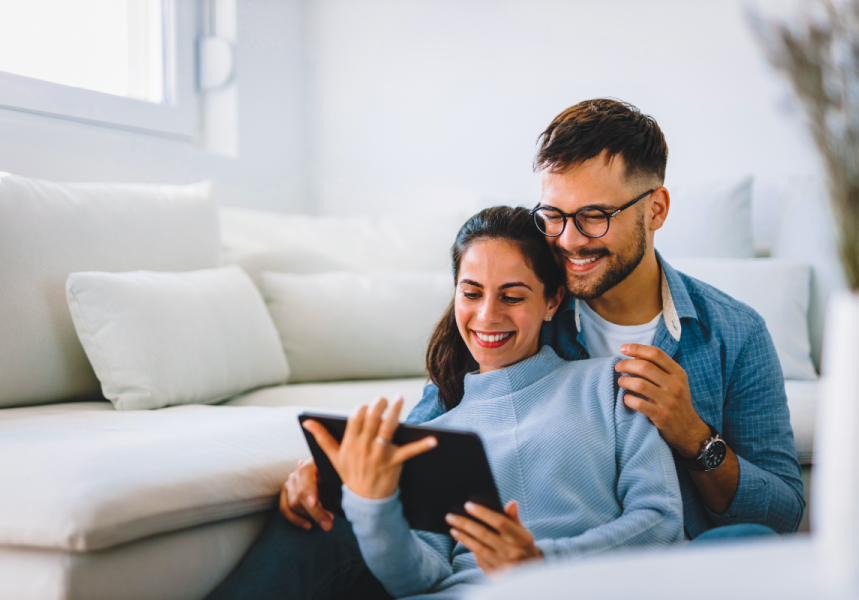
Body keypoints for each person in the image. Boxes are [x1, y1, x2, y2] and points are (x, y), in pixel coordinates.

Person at [282, 99, 805, 543]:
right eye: (553, 215)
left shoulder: (735, 334)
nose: (569, 240)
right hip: (514, 560)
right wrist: (333, 471)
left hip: (649, 564)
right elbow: (430, 430)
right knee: (314, 531)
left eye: (595, 216)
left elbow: (781, 514)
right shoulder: (519, 309)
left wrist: (695, 438)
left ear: (657, 209)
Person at [208, 207, 684, 599]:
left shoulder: (610, 385)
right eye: (471, 293)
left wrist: (539, 563)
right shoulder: (445, 428)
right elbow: (420, 577)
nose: (487, 316)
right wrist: (372, 503)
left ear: (553, 300)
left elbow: (661, 522)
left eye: (513, 296)